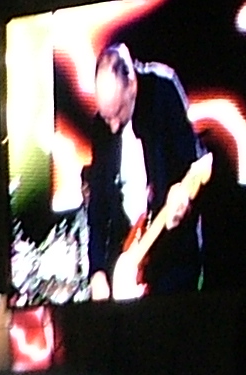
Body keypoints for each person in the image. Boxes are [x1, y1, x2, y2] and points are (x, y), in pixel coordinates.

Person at [84, 41, 210, 298]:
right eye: (106, 117)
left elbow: (193, 163)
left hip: (172, 257)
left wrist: (182, 200)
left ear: (132, 85)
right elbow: (98, 205)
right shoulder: (102, 126)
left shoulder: (162, 89)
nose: (112, 126)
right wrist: (97, 270)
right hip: (127, 258)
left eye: (118, 112)